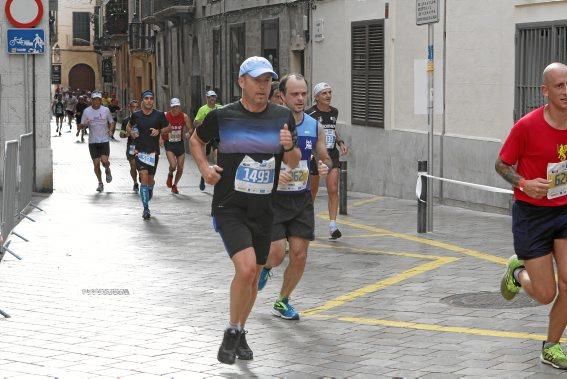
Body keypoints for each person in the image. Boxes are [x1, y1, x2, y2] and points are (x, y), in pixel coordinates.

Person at [190, 56, 300, 365]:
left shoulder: (282, 116)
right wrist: (204, 168)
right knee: (247, 268)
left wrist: (289, 147)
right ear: (242, 82)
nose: (263, 87)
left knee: (252, 279)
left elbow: (292, 163)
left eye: (268, 81)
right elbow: (195, 141)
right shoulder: (223, 116)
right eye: (257, 80)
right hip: (230, 206)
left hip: (264, 209)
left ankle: (239, 331)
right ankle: (232, 329)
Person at [496, 62, 567, 370]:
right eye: (560, 85)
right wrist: (524, 183)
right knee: (544, 293)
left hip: (565, 210)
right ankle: (517, 273)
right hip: (532, 215)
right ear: (545, 91)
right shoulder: (526, 126)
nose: (566, 91)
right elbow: (501, 165)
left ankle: (551, 346)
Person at [258, 74, 332, 320]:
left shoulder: (315, 126)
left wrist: (324, 166)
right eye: (294, 94)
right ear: (281, 96)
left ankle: (282, 301)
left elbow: (323, 155)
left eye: (303, 93)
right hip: (273, 199)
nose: (300, 99)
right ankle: (266, 267)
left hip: (300, 199)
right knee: (277, 254)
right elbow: (254, 158)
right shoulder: (270, 124)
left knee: (300, 255)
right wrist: (273, 173)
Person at [306, 82, 349, 240]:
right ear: (316, 97)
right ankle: (308, 224)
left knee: (333, 188)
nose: (328, 96)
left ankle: (333, 226)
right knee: (312, 192)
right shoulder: (309, 114)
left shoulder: (334, 112)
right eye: (324, 93)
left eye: (330, 92)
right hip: (315, 157)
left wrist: (340, 142)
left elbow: (332, 128)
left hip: (332, 155)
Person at [127, 90, 170, 220]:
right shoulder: (136, 115)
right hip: (139, 152)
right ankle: (146, 208)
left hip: (153, 152)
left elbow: (169, 127)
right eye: (146, 98)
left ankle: (149, 189)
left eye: (151, 98)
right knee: (143, 177)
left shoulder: (159, 115)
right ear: (142, 100)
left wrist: (159, 131)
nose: (149, 101)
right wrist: (132, 133)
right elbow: (129, 127)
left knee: (150, 180)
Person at [78, 92, 114, 192]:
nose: (96, 101)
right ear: (91, 100)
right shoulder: (86, 111)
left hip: (104, 140)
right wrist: (82, 125)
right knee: (96, 165)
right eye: (94, 99)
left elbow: (111, 122)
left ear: (101, 100)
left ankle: (107, 169)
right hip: (93, 142)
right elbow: (82, 125)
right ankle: (100, 183)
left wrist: (111, 130)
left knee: (104, 161)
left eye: (98, 99)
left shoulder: (106, 110)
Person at [194, 90, 223, 191]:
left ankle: (218, 178)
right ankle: (203, 177)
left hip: (217, 136)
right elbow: (196, 122)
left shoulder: (220, 108)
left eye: (214, 97)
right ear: (207, 98)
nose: (212, 99)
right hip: (206, 136)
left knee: (217, 155)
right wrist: (205, 124)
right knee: (205, 157)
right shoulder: (202, 109)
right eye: (210, 97)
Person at [163, 98, 192, 194]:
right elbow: (160, 129)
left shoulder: (184, 116)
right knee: (173, 165)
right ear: (171, 107)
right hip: (169, 143)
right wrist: (162, 136)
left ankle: (175, 185)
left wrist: (188, 133)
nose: (176, 108)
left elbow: (191, 129)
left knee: (180, 167)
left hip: (179, 143)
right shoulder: (166, 116)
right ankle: (170, 174)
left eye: (177, 106)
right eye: (174, 107)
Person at [120, 100, 140, 192]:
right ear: (130, 108)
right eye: (133, 107)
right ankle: (135, 182)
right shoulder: (125, 120)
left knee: (141, 166)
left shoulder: (143, 118)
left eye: (136, 107)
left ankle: (141, 175)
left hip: (142, 145)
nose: (135, 109)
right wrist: (127, 134)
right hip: (132, 145)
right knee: (133, 165)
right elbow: (121, 135)